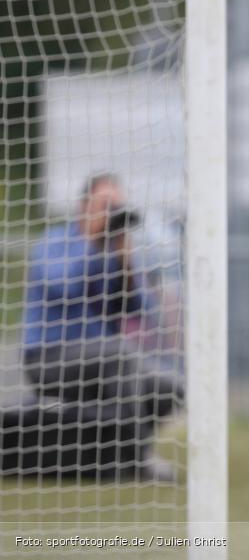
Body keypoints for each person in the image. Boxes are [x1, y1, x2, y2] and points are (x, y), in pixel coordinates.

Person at [21, 173, 182, 480]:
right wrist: (93, 243)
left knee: (172, 385)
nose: (112, 213)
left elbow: (142, 311)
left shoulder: (116, 251)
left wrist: (125, 262)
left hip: (105, 364)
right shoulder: (53, 242)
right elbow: (63, 287)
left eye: (117, 206)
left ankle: (112, 456)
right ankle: (138, 457)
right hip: (49, 359)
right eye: (106, 205)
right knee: (121, 353)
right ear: (85, 207)